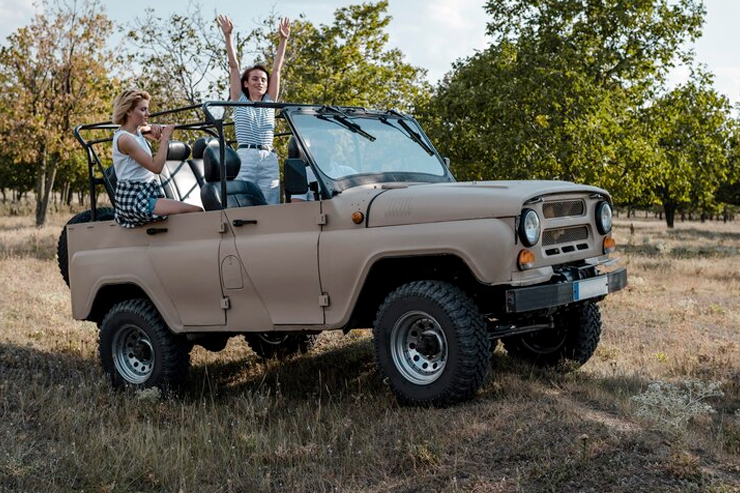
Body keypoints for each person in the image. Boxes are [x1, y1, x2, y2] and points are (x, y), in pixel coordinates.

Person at [217, 14, 290, 205]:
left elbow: (277, 70)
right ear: (246, 84)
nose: (260, 82)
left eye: (263, 80)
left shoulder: (269, 101)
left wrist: (283, 40)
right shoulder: (239, 99)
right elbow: (234, 67)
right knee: (243, 201)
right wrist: (228, 36)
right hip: (246, 156)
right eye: (255, 79)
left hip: (269, 157)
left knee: (271, 202)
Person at [111, 89, 202, 228]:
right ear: (129, 111)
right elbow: (156, 168)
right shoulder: (125, 139)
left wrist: (153, 131)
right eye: (143, 110)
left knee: (195, 209)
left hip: (147, 193)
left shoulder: (137, 131)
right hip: (134, 198)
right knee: (196, 211)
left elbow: (143, 131)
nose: (148, 114)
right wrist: (165, 138)